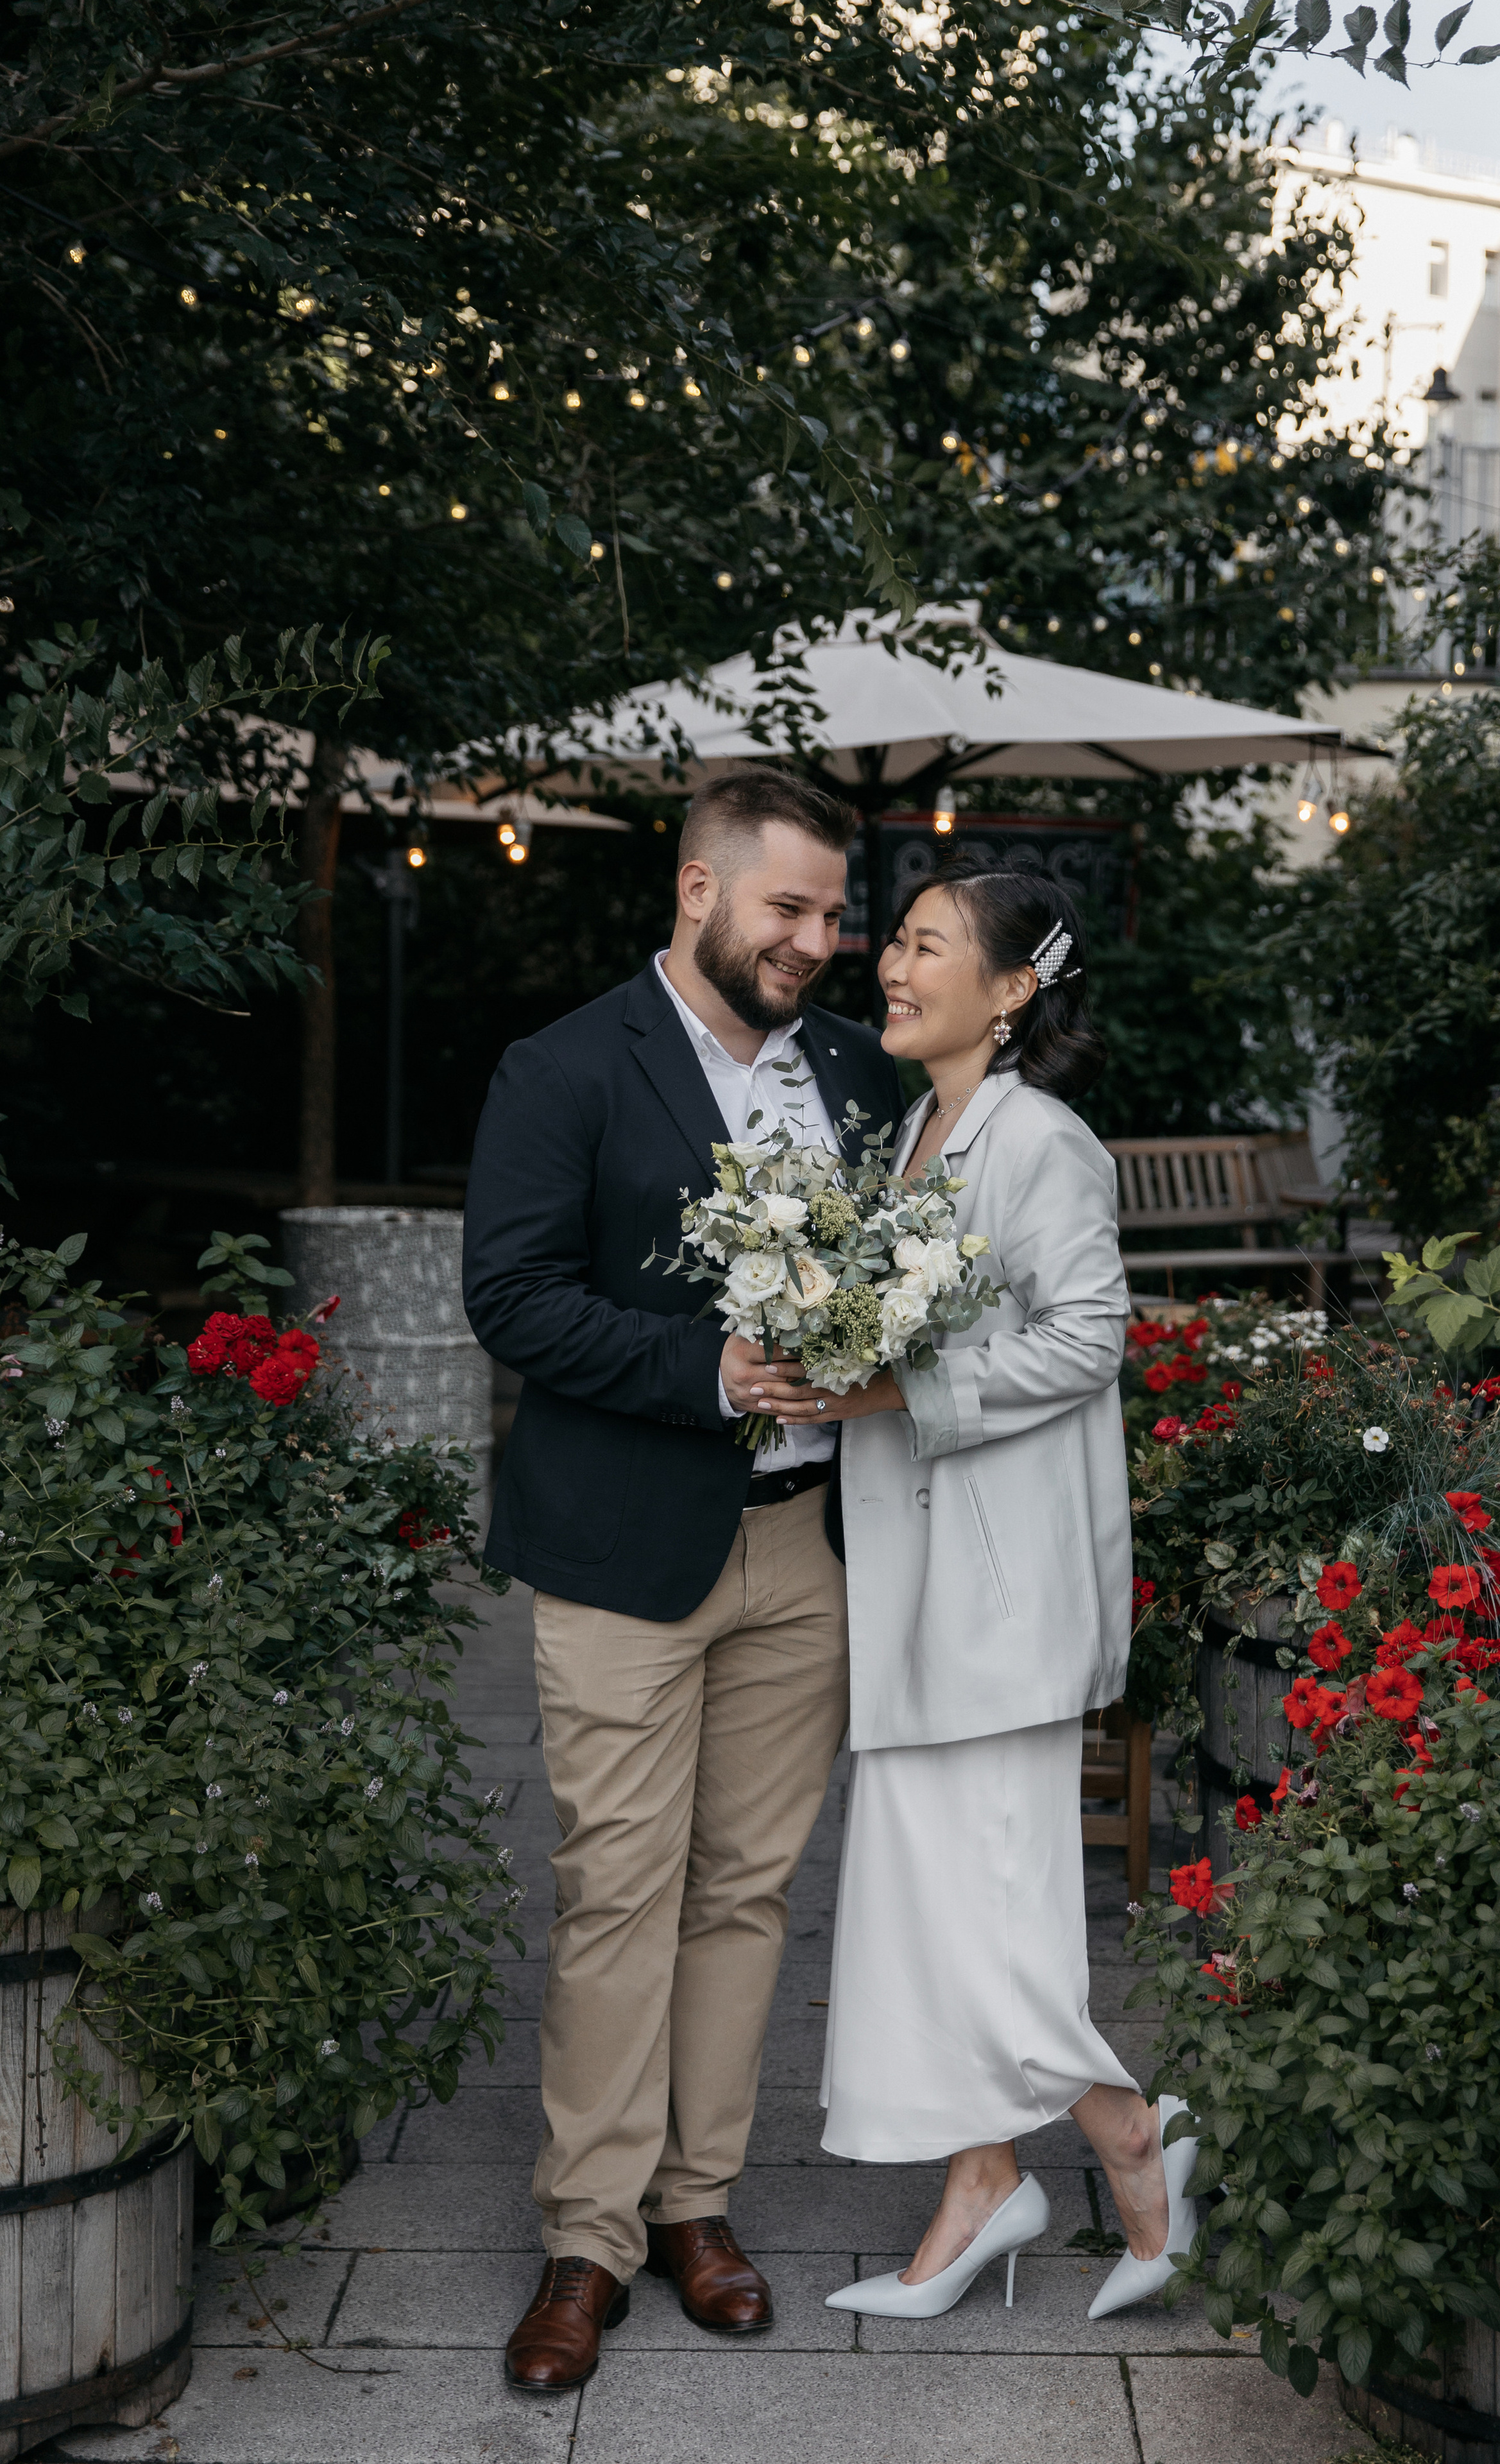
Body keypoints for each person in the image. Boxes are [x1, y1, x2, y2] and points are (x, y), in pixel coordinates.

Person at [462, 767, 903, 2392]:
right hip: (621, 1551)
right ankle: (586, 2238)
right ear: (698, 890)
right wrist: (704, 1370)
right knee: (616, 1891)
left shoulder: (857, 1074)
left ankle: (694, 2205)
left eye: (832, 915)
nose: (817, 941)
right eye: (788, 908)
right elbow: (510, 1295)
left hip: (808, 1544)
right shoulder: (566, 1064)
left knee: (744, 1892)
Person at [753, 855, 1200, 2323]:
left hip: (1000, 1596)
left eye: (926, 945)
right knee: (929, 1902)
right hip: (913, 1583)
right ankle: (980, 2183)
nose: (889, 965)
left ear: (1010, 990)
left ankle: (1126, 2137)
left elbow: (1086, 1337)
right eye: (893, 940)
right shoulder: (914, 1134)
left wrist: (892, 1387)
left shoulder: (1042, 1141)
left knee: (992, 1907)